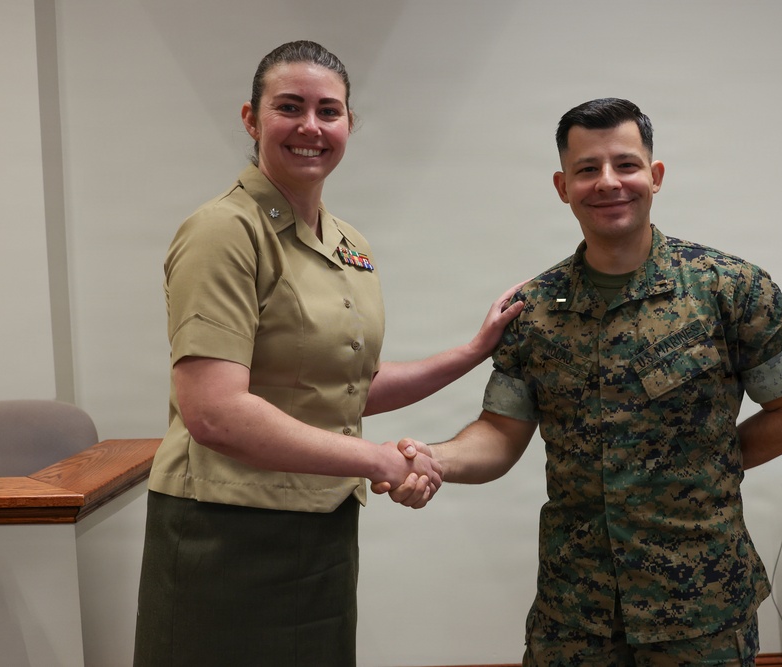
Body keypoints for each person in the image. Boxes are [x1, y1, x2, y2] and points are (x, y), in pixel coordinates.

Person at [381, 98, 782, 665]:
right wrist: (436, 460)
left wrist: (703, 463)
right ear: (563, 185)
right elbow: (499, 433)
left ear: (655, 176)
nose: (608, 183)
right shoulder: (534, 310)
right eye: (588, 169)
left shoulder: (729, 289)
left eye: (626, 165)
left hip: (700, 606)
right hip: (576, 611)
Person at [132, 40, 523, 666]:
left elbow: (339, 387)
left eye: (329, 111)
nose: (310, 127)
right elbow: (214, 413)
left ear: (348, 124)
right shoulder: (224, 231)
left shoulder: (347, 244)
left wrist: (472, 352)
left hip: (322, 521)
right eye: (289, 107)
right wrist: (378, 460)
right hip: (228, 529)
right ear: (251, 119)